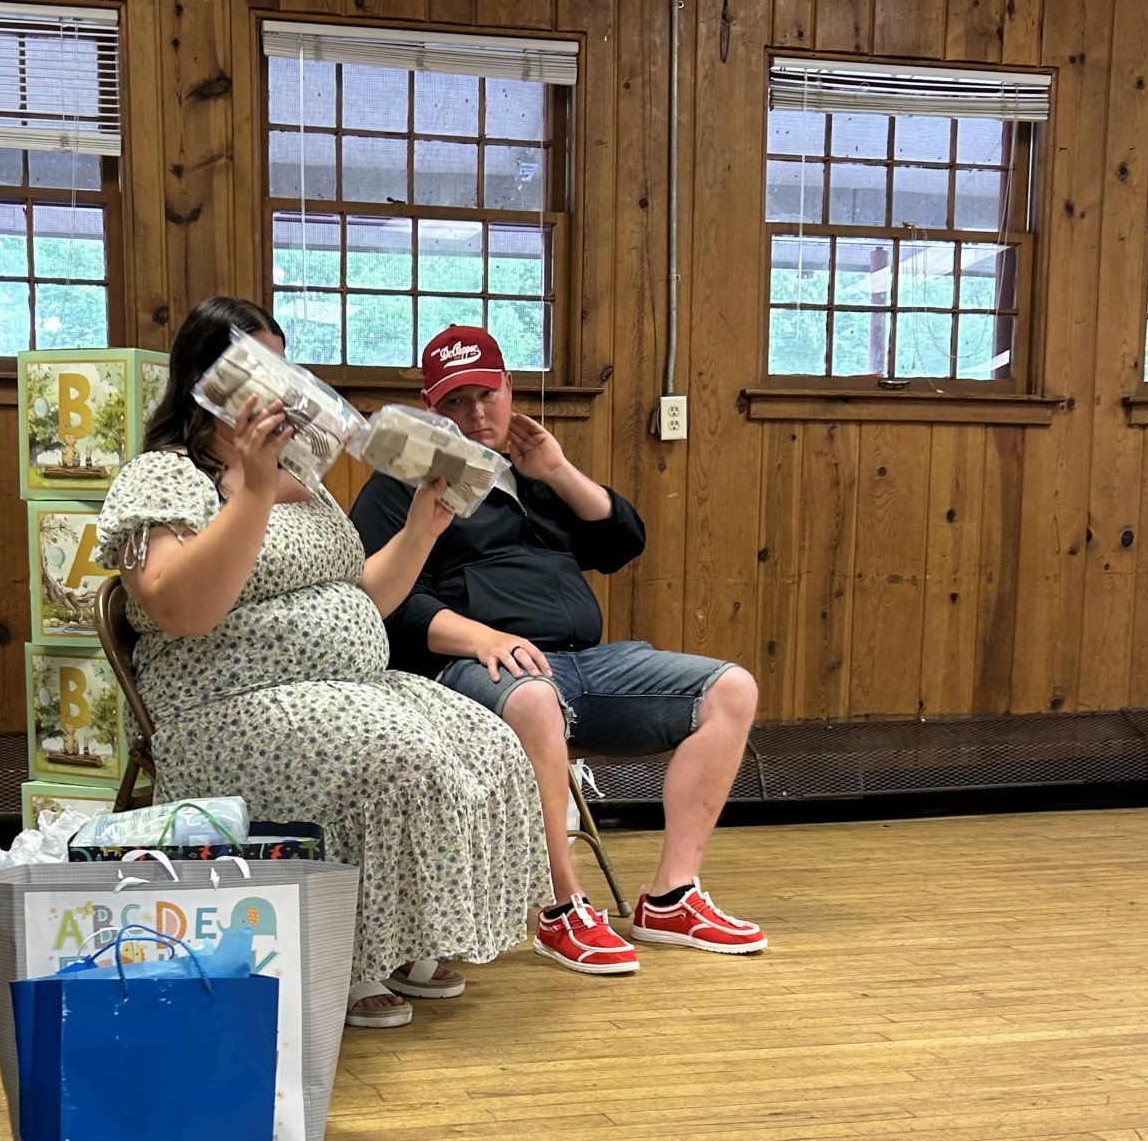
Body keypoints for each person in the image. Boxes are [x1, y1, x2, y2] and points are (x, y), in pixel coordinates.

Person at [93, 297, 551, 1029]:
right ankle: (348, 951)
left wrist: (423, 528)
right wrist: (252, 485)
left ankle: (405, 935)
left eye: (285, 368)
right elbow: (180, 608)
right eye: (259, 369)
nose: (281, 389)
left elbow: (361, 595)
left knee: (488, 743)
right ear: (207, 382)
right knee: (396, 757)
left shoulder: (301, 478)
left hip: (346, 684)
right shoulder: (164, 476)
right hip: (225, 705)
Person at [351, 325, 766, 973]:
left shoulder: (534, 476)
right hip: (471, 667)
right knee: (536, 698)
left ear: (509, 390)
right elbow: (385, 605)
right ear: (432, 409)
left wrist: (558, 471)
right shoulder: (402, 483)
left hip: (584, 662)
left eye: (486, 395)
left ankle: (671, 897)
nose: (476, 414)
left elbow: (621, 542)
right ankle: (561, 905)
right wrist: (482, 636)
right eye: (455, 401)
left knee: (732, 689)